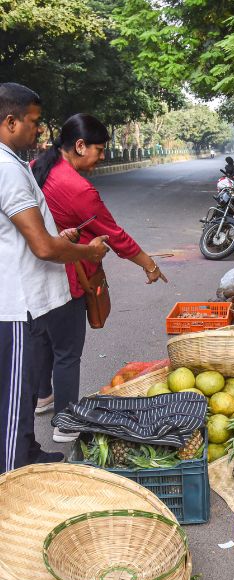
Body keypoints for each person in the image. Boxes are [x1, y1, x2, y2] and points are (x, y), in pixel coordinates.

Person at [31, 113, 167, 443]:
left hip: (37, 273)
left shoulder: (39, 167)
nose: (102, 156)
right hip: (66, 276)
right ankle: (66, 424)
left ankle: (42, 396)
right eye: (100, 149)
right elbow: (113, 235)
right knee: (67, 351)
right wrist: (148, 263)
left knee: (47, 339)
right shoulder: (77, 188)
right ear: (79, 146)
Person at [0, 83, 109, 473]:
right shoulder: (8, 169)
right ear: (10, 121)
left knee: (26, 388)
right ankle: (12, 478)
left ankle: (27, 451)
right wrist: (87, 252)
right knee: (14, 399)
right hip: (13, 304)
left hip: (25, 301)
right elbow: (42, 248)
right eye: (31, 122)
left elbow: (25, 233)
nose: (38, 130)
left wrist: (59, 237)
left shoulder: (14, 164)